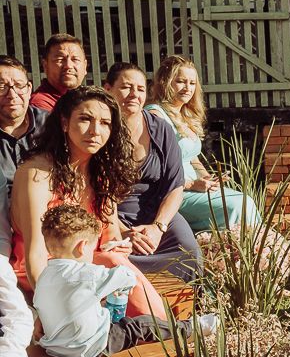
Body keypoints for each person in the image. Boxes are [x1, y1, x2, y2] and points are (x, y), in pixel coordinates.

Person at [10, 86, 167, 320]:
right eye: (85, 119)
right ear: (64, 123)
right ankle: (161, 328)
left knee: (116, 261)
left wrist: (118, 245)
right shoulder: (37, 172)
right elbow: (35, 253)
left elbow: (109, 234)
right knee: (115, 267)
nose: (95, 131)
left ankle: (155, 328)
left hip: (91, 266)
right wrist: (47, 310)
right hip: (45, 272)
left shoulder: (100, 171)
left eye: (105, 123)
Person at [34, 204, 215, 357]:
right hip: (91, 346)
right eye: (92, 246)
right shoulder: (88, 274)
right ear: (82, 246)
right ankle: (191, 329)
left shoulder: (45, 276)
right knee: (141, 325)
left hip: (56, 347)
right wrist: (115, 252)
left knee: (105, 310)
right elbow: (126, 275)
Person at [103, 63, 203, 283]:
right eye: (126, 87)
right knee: (115, 257)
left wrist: (158, 227)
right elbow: (93, 189)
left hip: (158, 212)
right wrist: (122, 231)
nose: (134, 94)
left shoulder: (160, 128)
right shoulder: (99, 130)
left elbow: (175, 185)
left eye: (140, 89)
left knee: (188, 252)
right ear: (108, 89)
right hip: (110, 216)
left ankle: (185, 311)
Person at [147, 56, 261, 232]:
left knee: (247, 201)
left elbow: (192, 159)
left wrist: (207, 178)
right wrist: (192, 184)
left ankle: (252, 254)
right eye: (180, 81)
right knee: (236, 205)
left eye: (192, 83)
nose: (188, 88)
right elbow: (155, 169)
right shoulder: (156, 115)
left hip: (195, 187)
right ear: (165, 83)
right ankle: (232, 252)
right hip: (173, 192)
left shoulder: (186, 115)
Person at [0, 55, 45, 193]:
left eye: (19, 86)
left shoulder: (50, 126)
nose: (12, 94)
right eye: (2, 87)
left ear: (29, 88)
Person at [29, 34, 88, 112]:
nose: (68, 65)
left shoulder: (87, 100)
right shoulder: (40, 106)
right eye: (60, 59)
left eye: (75, 59)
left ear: (85, 66)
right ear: (45, 66)